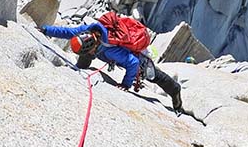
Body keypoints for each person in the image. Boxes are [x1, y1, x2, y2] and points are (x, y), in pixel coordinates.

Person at [40, 16, 183, 113]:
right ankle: (81, 67)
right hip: (113, 49)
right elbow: (67, 32)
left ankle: (175, 92)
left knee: (153, 75)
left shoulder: (111, 51)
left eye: (88, 50)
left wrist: (126, 84)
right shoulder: (87, 31)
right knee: (86, 57)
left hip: (135, 56)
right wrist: (46, 30)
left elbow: (132, 63)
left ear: (92, 45)